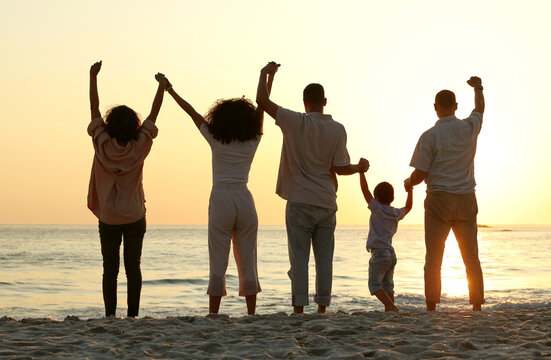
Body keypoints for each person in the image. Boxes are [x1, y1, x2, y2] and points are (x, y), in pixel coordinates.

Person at [160, 69, 277, 315]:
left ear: (220, 119)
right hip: (244, 200)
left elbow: (191, 112)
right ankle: (251, 314)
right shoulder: (254, 138)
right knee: (248, 260)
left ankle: (214, 313)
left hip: (221, 199)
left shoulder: (215, 138)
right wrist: (268, 77)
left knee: (218, 261)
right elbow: (262, 107)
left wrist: (169, 89)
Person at [256, 61, 369, 314]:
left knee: (299, 259)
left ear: (304, 101)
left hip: (298, 201)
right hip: (326, 202)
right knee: (324, 260)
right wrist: (359, 167)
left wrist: (265, 74)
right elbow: (340, 168)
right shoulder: (337, 129)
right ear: (324, 101)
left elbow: (262, 101)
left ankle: (298, 309)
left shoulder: (295, 121)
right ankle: (322, 309)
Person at [87, 60, 167, 317]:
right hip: (134, 215)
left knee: (110, 268)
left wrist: (93, 77)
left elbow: (93, 108)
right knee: (134, 268)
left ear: (110, 125)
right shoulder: (139, 146)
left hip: (108, 217)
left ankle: (110, 315)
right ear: (133, 125)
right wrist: (161, 88)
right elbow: (154, 115)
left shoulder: (101, 143)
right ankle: (133, 315)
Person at [404, 76, 485, 311]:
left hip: (439, 198)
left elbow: (420, 173)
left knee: (434, 257)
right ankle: (476, 304)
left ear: (436, 108)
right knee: (471, 255)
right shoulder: (469, 127)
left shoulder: (429, 136)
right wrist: (478, 88)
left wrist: (409, 182)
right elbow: (479, 108)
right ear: (456, 106)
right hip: (466, 198)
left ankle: (431, 305)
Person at [359, 168, 412, 312]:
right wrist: (409, 190)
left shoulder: (377, 209)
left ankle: (390, 306)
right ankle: (390, 311)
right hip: (391, 255)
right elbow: (409, 207)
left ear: (376, 197)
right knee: (388, 286)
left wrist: (361, 172)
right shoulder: (395, 213)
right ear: (392, 198)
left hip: (379, 254)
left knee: (374, 285)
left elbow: (365, 190)